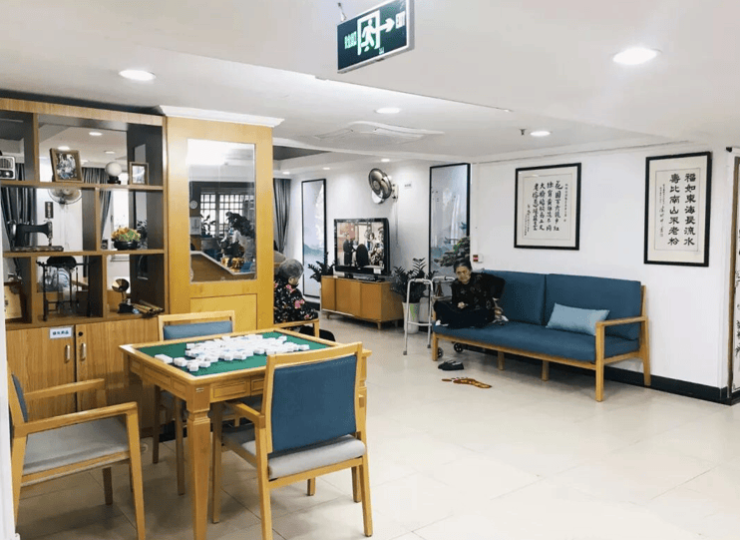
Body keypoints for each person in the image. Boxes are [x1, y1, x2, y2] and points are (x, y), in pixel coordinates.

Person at [274, 259, 336, 341]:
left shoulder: (272, 285)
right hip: (289, 330)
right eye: (297, 278)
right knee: (329, 336)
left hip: (274, 328)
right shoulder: (292, 293)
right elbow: (308, 315)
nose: (298, 281)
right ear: (291, 279)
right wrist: (314, 313)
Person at [434, 259, 505, 329]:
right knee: (438, 304)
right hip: (465, 311)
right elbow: (454, 302)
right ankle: (455, 321)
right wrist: (459, 304)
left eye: (464, 272)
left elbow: (501, 282)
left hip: (481, 311)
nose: (462, 275)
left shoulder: (480, 278)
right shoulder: (455, 284)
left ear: (470, 271)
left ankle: (450, 321)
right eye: (459, 273)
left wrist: (494, 298)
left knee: (478, 314)